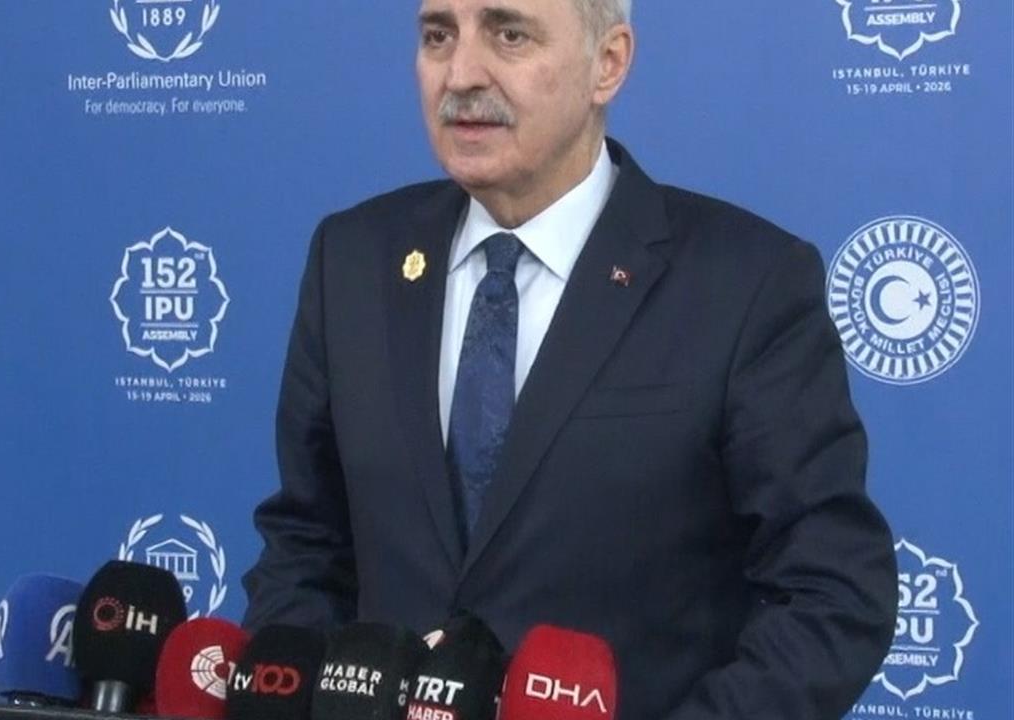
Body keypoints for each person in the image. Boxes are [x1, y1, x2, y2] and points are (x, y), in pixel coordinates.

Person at [242, 1, 898, 718]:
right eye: (438, 35)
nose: (461, 74)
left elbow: (832, 593)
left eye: (509, 34)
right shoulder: (351, 258)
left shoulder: (747, 284)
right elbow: (305, 545)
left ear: (607, 64)